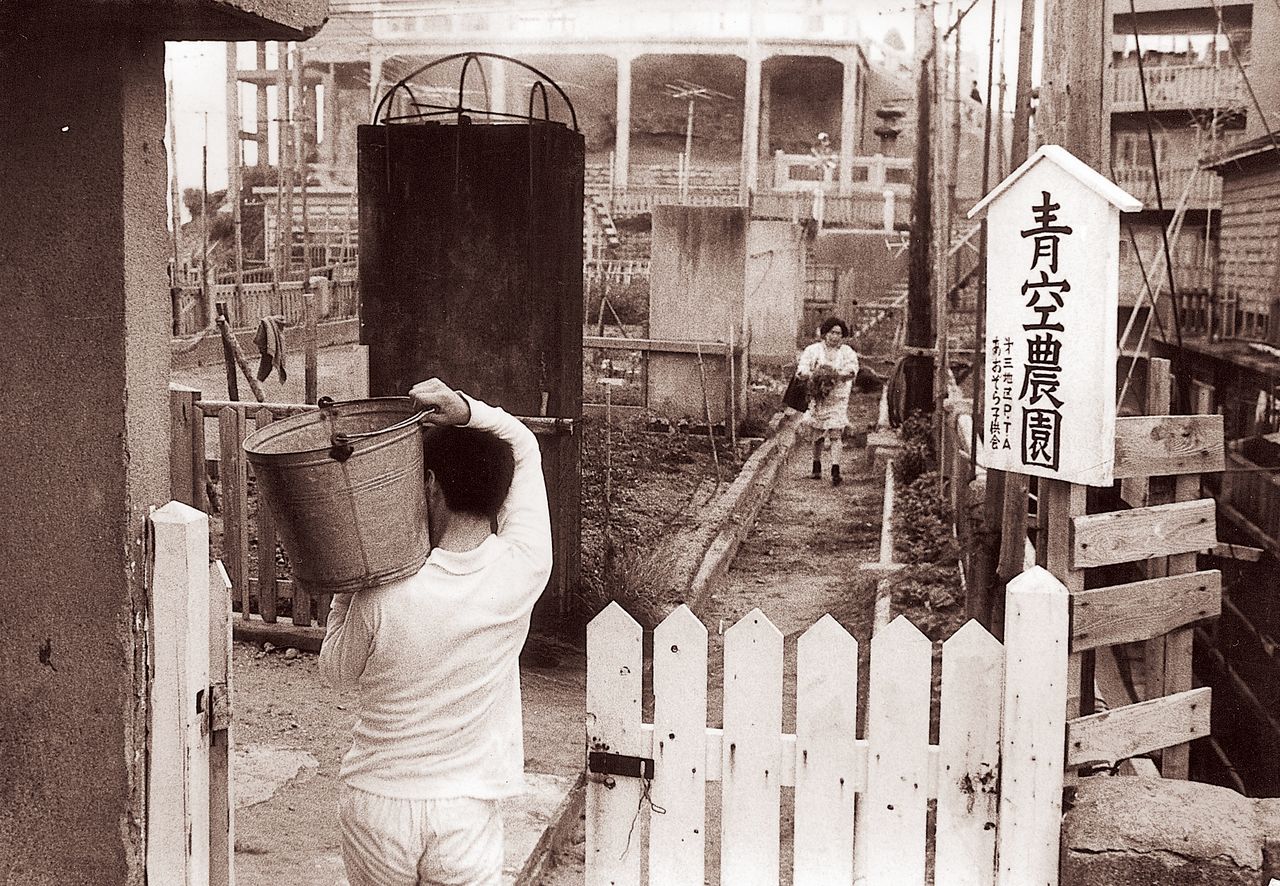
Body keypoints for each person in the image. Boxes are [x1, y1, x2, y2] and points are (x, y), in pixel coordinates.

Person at [320, 377, 553, 886]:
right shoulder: (523, 571)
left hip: (377, 804)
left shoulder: (383, 591)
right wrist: (466, 409)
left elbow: (335, 674)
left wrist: (347, 578)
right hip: (465, 810)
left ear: (429, 487)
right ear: (502, 495)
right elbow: (526, 446)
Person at [796, 316, 860, 486]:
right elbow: (802, 369)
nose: (835, 336)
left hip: (838, 398)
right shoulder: (813, 350)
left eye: (839, 333)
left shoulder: (846, 352)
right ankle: (816, 465)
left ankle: (835, 469)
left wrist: (838, 375)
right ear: (825, 333)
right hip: (818, 398)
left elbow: (852, 369)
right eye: (832, 332)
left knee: (835, 432)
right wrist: (813, 375)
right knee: (817, 432)